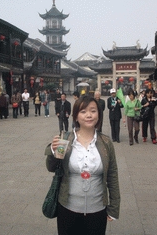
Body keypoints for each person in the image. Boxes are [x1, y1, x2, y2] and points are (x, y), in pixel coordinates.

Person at [45, 95, 120, 235]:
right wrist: (52, 152)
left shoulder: (106, 142)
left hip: (97, 211)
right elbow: (51, 167)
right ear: (76, 116)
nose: (89, 115)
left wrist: (114, 207)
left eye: (93, 111)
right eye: (83, 111)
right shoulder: (65, 139)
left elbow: (112, 175)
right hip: (67, 209)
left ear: (99, 114)